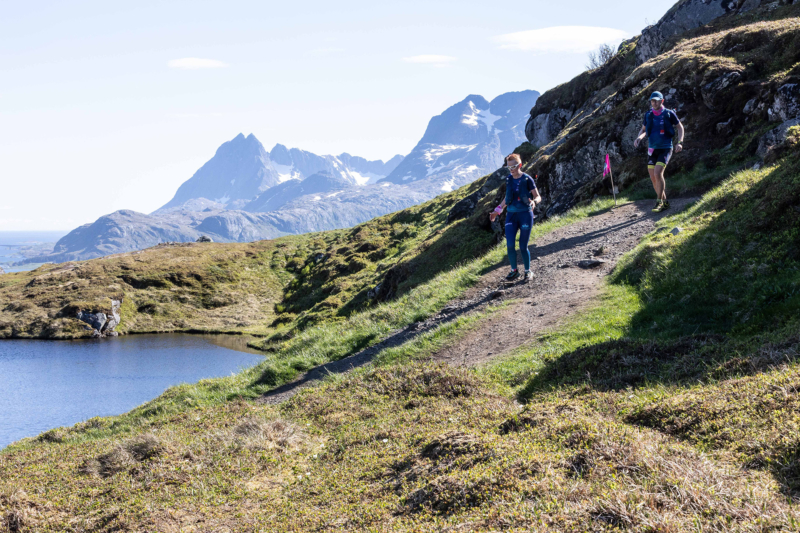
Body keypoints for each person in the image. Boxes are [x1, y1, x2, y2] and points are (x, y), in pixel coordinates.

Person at [489, 153, 542, 281]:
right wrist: (497, 210)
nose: (511, 169)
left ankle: (528, 271)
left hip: (525, 214)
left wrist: (534, 202)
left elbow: (538, 196)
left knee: (523, 246)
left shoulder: (527, 179)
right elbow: (507, 199)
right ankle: (514, 271)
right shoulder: (509, 180)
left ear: (520, 165)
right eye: (509, 167)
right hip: (511, 215)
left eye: (513, 167)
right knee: (510, 245)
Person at [633, 91, 684, 212]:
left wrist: (680, 142)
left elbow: (680, 127)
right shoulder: (649, 114)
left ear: (662, 101)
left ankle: (658, 202)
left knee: (658, 173)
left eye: (656, 100)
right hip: (652, 150)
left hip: (666, 148)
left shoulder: (669, 113)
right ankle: (665, 202)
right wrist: (639, 137)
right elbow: (644, 129)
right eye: (652, 101)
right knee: (652, 177)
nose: (654, 103)